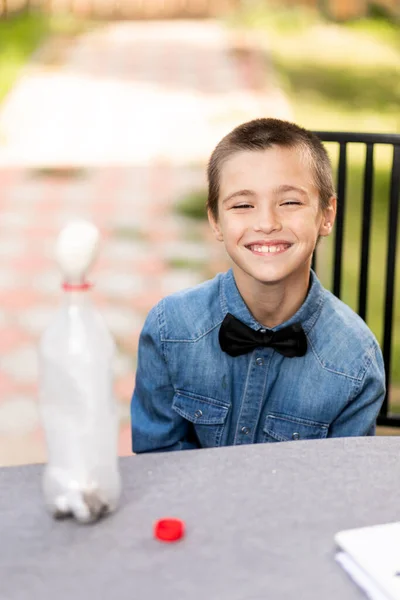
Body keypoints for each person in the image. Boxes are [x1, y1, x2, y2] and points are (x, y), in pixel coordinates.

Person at [130, 118, 385, 453]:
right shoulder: (170, 329)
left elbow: (340, 490)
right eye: (242, 205)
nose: (266, 223)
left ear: (326, 214)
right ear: (216, 220)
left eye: (290, 202)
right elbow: (156, 463)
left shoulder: (355, 360)